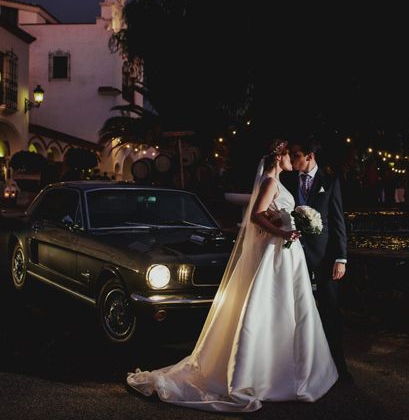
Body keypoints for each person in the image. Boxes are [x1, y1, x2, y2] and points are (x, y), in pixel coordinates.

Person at [126, 139, 338, 412]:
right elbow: (256, 217)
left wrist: (288, 222)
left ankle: (286, 367)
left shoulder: (275, 181)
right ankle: (262, 373)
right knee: (271, 306)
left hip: (284, 253)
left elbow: (268, 216)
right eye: (289, 156)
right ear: (279, 157)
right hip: (277, 250)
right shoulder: (270, 182)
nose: (292, 160)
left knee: (287, 306)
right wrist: (283, 232)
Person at [283, 137, 352, 382]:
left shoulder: (330, 181)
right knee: (295, 313)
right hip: (292, 254)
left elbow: (337, 221)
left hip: (323, 258)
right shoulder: (287, 180)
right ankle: (298, 369)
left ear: (310, 155)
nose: (292, 159)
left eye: (296, 154)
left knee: (330, 312)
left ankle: (339, 370)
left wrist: (340, 258)